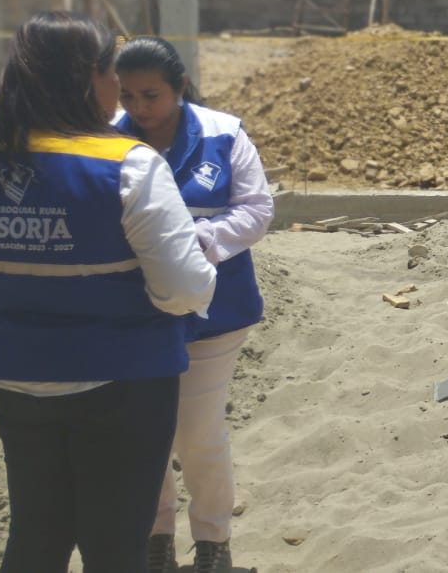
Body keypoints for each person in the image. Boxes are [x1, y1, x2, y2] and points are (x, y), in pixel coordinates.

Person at [0, 11, 217, 572]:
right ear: (90, 78)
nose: (119, 85)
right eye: (112, 72)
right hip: (124, 381)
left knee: (37, 536)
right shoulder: (127, 165)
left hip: (17, 377)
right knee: (117, 548)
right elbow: (181, 290)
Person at [112, 37, 274, 573]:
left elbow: (256, 209)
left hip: (214, 313)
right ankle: (156, 537)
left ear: (180, 86)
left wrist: (198, 241)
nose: (139, 108)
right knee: (144, 433)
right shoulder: (107, 138)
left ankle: (212, 542)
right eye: (128, 95)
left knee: (198, 433)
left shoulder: (223, 134)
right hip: (133, 313)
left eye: (151, 95)